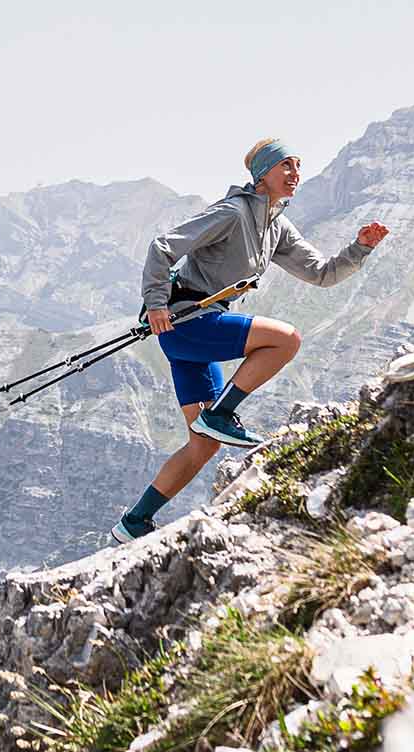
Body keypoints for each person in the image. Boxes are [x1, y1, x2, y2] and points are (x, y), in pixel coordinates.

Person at [113, 138, 391, 543]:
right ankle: (221, 413)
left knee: (203, 446)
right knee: (286, 340)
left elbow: (322, 274)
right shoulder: (232, 212)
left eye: (298, 167)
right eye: (287, 167)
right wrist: (155, 302)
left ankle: (134, 522)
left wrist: (360, 248)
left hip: (196, 334)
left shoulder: (276, 226)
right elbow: (163, 247)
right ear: (263, 175)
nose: (296, 175)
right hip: (187, 323)